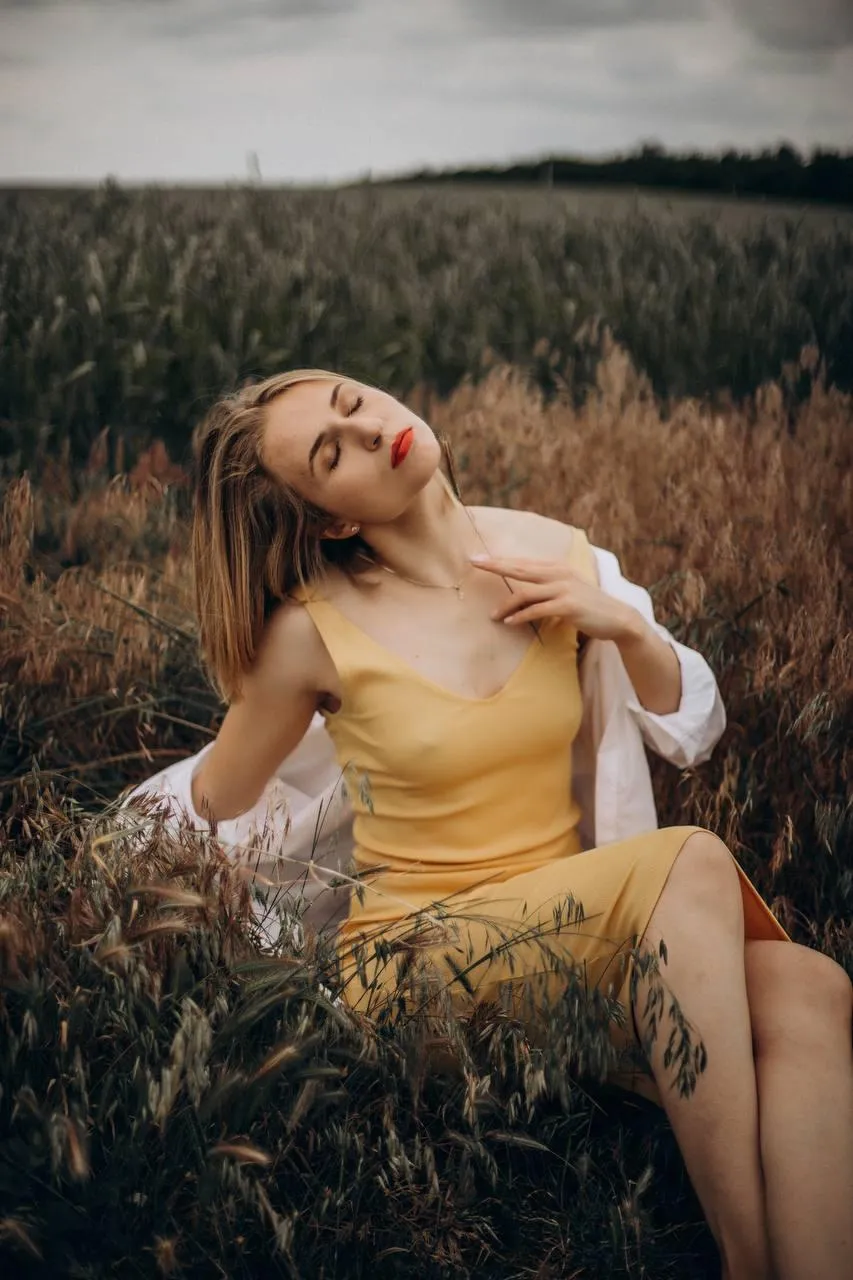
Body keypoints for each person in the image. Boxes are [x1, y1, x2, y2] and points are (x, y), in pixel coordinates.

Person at [167, 367, 852, 1280]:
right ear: (330, 519)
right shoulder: (312, 632)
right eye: (332, 455)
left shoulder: (552, 552)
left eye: (351, 401)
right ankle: (748, 1262)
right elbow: (217, 797)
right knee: (688, 860)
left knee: (808, 988)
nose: (371, 430)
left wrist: (620, 625)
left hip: (576, 932)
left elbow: (689, 728)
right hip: (417, 967)